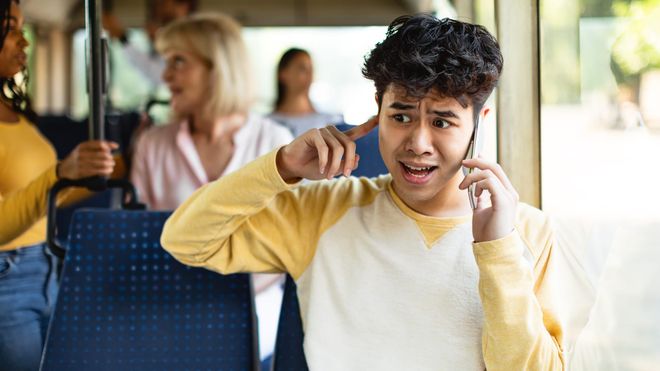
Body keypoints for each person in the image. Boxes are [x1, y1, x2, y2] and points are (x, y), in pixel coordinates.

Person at [161, 14, 565, 370]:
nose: (418, 142)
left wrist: (498, 251)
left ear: (480, 123)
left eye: (442, 122)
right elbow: (185, 240)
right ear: (378, 110)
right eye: (401, 116)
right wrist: (279, 166)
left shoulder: (523, 233)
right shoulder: (322, 210)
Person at [129, 13, 293, 365]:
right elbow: (141, 235)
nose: (165, 75)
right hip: (170, 306)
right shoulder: (151, 144)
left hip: (259, 309)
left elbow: (290, 240)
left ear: (216, 69)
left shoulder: (275, 142)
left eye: (178, 62)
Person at [0, 1, 117, 370]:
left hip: (45, 264)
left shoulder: (13, 113)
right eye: (10, 27)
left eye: (23, 27)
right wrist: (61, 173)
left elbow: (41, 198)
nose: (24, 41)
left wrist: (90, 175)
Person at [102, 0, 197, 86]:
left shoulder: (192, 39)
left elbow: (157, 74)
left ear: (184, 6)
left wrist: (123, 38)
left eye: (162, 3)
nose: (159, 10)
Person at [268, 48, 343, 137]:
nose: (310, 75)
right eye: (302, 68)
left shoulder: (331, 122)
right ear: (283, 74)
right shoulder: (266, 124)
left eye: (311, 69)